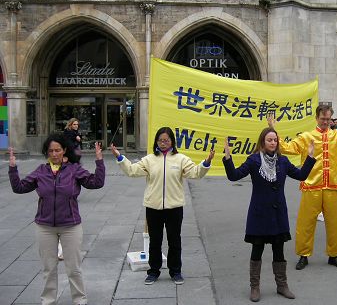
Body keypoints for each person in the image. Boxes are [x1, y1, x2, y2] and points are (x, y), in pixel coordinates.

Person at [268, 105, 337, 271]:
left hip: (333, 185)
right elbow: (287, 148)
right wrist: (273, 130)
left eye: (328, 119)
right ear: (317, 118)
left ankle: (334, 255)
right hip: (312, 185)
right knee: (305, 223)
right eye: (323, 119)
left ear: (331, 119)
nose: (325, 122)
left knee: (335, 223)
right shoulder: (306, 137)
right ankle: (303, 255)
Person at [110, 127, 215, 286]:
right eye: (160, 140)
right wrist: (120, 157)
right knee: (155, 241)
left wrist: (206, 163)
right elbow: (132, 171)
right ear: (156, 142)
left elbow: (194, 173)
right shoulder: (149, 159)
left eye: (166, 140)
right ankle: (153, 271)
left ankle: (175, 271)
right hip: (153, 208)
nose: (163, 143)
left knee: (174, 241)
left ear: (172, 141)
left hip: (174, 208)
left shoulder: (181, 159)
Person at [9, 134, 105, 305]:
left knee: (74, 268)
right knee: (49, 269)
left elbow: (96, 183)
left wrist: (99, 162)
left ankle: (80, 300)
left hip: (71, 226)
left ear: (64, 151)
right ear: (47, 152)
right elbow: (19, 188)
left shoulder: (74, 169)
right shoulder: (41, 171)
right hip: (45, 227)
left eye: (58, 150)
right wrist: (13, 169)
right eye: (51, 151)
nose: (54, 154)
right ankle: (48, 301)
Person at [222, 128, 316, 302]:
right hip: (259, 213)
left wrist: (310, 157)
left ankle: (282, 285)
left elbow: (301, 175)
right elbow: (233, 176)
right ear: (262, 142)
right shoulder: (254, 160)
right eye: (269, 140)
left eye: (275, 140)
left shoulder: (283, 161)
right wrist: (228, 158)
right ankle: (254, 287)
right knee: (257, 250)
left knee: (278, 250)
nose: (273, 143)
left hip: (278, 213)